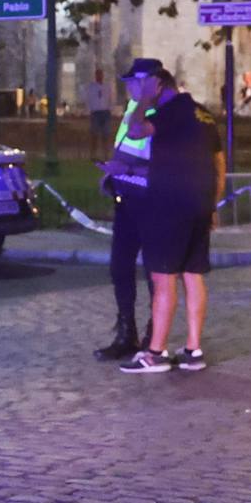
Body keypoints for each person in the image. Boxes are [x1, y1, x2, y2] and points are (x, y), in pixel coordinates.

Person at [122, 63, 222, 374]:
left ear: (156, 83)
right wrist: (213, 204)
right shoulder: (202, 114)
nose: (133, 91)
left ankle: (155, 353)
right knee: (193, 274)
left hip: (168, 205)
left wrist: (141, 101)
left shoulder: (167, 113)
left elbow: (135, 129)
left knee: (163, 278)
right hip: (198, 204)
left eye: (137, 84)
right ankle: (193, 350)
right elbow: (219, 162)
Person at [96, 62, 160, 360]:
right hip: (126, 200)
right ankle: (126, 333)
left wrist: (128, 169)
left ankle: (153, 334)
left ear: (149, 83)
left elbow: (164, 164)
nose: (128, 87)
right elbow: (124, 151)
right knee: (119, 267)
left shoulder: (159, 114)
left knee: (153, 272)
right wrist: (112, 174)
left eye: (133, 82)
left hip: (151, 201)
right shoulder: (131, 110)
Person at [87, 71, 114, 157]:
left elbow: (111, 98)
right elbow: (88, 98)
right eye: (98, 74)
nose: (99, 76)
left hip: (105, 112)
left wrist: (110, 109)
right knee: (94, 134)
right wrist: (89, 110)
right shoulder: (91, 87)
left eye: (101, 74)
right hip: (95, 112)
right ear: (95, 76)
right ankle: (93, 154)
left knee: (106, 134)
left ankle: (106, 154)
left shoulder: (107, 86)